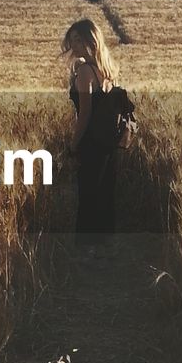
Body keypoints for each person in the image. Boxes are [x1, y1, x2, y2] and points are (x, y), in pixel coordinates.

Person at [62, 17, 118, 249]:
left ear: (89, 40)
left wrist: (73, 145)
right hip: (110, 143)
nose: (72, 46)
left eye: (76, 40)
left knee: (87, 197)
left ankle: (85, 252)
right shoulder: (108, 69)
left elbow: (85, 114)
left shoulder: (85, 71)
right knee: (105, 196)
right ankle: (105, 250)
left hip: (92, 144)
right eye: (71, 40)